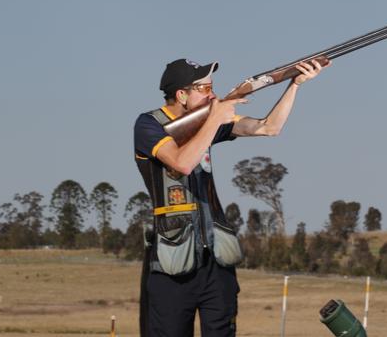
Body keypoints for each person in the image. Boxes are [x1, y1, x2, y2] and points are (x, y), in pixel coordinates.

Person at [134, 58, 327, 337]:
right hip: (173, 264)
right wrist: (214, 118)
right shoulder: (148, 125)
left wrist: (293, 85)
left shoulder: (207, 122)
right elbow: (181, 163)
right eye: (205, 88)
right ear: (182, 95)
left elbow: (268, 127)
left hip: (217, 261)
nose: (213, 95)